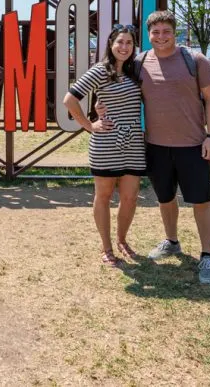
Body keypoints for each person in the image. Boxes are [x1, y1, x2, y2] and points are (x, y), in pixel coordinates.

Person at [137, 11, 210, 284]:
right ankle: (171, 241)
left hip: (193, 145)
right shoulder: (140, 62)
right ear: (149, 35)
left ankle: (207, 255)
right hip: (156, 146)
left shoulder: (195, 61)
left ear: (176, 33)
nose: (161, 37)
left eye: (166, 31)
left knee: (201, 200)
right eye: (156, 32)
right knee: (165, 198)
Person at [63, 25, 145, 267]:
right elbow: (69, 99)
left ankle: (122, 240)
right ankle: (106, 247)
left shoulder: (136, 72)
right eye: (120, 42)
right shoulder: (100, 71)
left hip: (134, 143)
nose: (124, 47)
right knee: (104, 195)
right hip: (107, 142)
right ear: (111, 44)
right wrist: (90, 125)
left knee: (130, 197)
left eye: (129, 43)